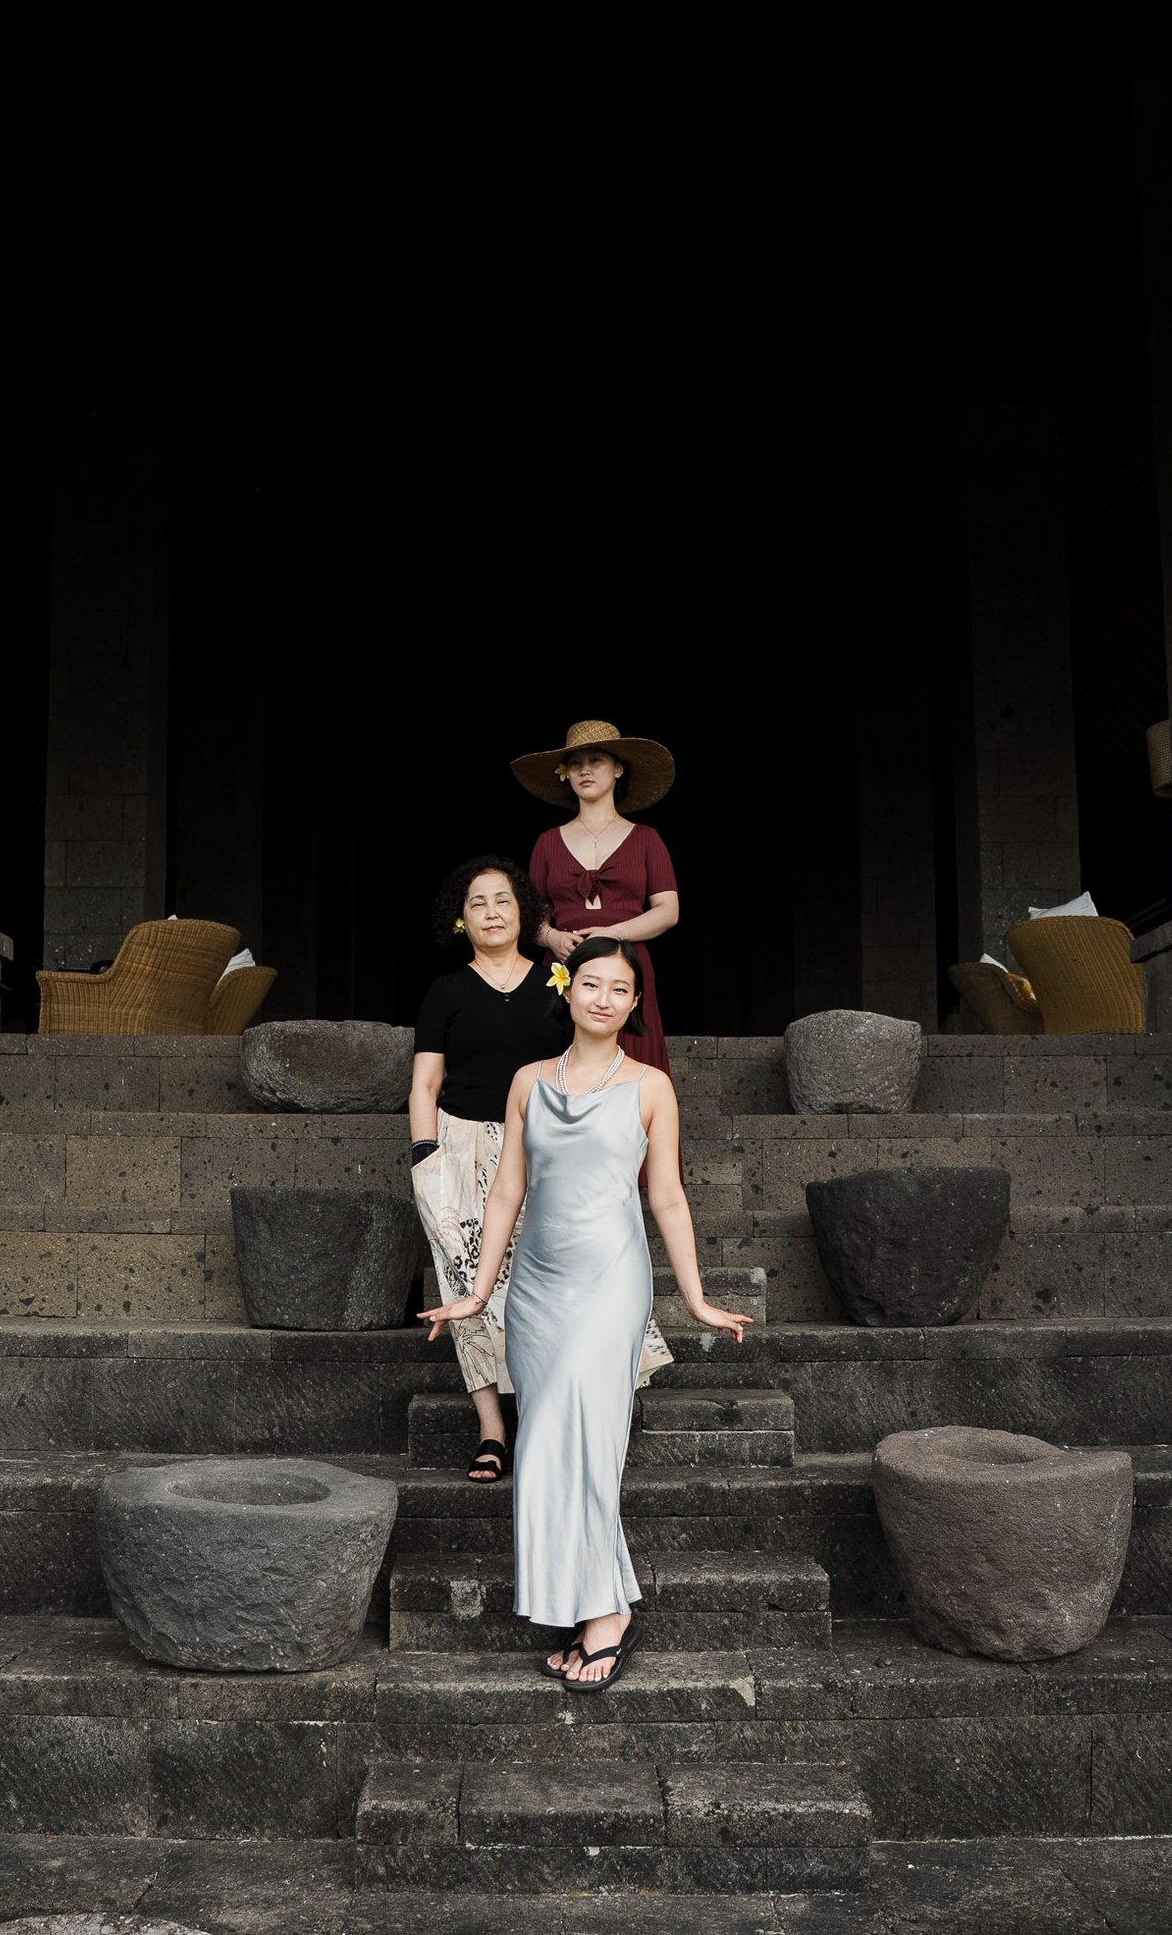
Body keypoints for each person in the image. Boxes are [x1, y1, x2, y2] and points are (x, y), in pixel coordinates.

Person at [418, 937, 751, 1690]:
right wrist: (478, 1292)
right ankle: (597, 1603)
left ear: (635, 1005)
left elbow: (666, 1196)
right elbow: (507, 1191)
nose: (604, 998)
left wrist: (694, 1297)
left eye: (620, 989)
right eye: (591, 984)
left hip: (610, 1283)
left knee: (590, 1448)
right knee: (548, 1448)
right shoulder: (528, 1081)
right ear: (567, 991)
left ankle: (606, 1617)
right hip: (536, 1290)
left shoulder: (651, 1087)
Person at [407, 856, 674, 1486]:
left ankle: (551, 1413)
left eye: (503, 899)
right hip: (460, 1147)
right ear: (461, 919)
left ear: (524, 911)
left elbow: (586, 1066)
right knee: (467, 1285)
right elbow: (425, 1083)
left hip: (545, 1149)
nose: (492, 912)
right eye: (477, 903)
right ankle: (492, 1430)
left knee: (545, 1284)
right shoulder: (446, 991)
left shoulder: (560, 983)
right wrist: (426, 1157)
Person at [511, 719, 679, 1078]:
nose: (584, 770)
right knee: (557, 1062)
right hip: (564, 966)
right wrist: (551, 937)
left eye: (596, 760)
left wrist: (613, 934)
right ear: (566, 774)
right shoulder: (547, 842)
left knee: (632, 1063)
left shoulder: (646, 838)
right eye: (575, 763)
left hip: (626, 961)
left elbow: (668, 911)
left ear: (618, 769)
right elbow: (530, 915)